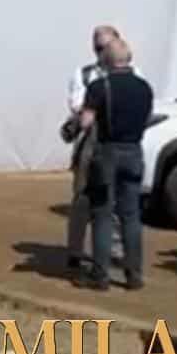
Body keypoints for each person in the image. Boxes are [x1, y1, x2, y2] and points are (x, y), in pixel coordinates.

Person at [73, 38, 153, 291]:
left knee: (103, 214)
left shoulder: (99, 86)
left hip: (107, 152)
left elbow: (85, 122)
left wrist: (74, 123)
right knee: (131, 215)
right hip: (134, 151)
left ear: (106, 60)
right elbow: (148, 117)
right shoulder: (144, 87)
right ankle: (134, 275)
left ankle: (101, 275)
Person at [61, 25, 121, 270]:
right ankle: (75, 250)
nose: (101, 52)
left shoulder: (133, 72)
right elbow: (76, 105)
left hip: (116, 138)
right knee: (82, 197)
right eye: (97, 47)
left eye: (105, 46)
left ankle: (114, 249)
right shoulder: (84, 74)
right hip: (90, 140)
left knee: (114, 197)